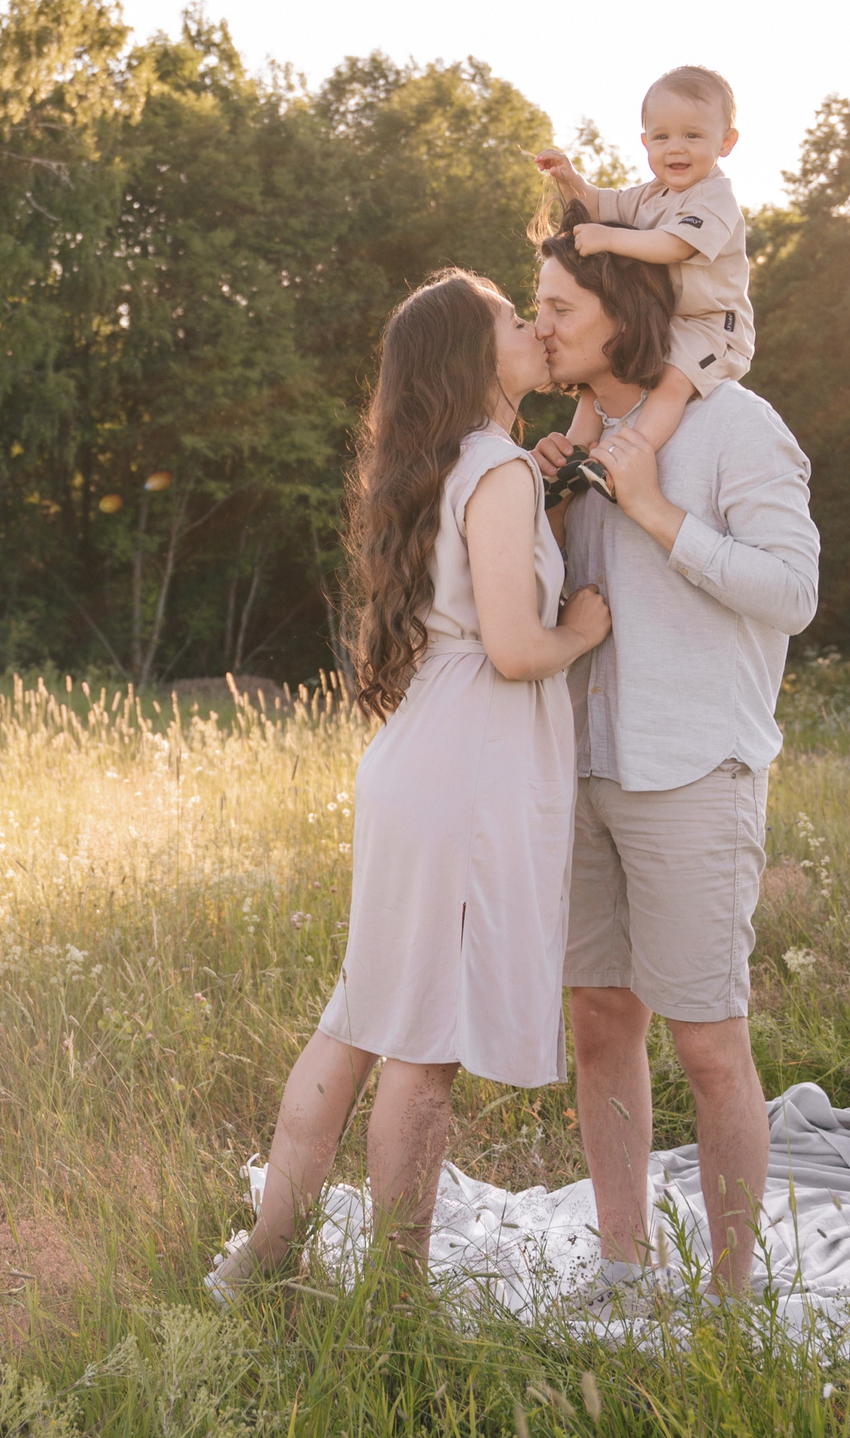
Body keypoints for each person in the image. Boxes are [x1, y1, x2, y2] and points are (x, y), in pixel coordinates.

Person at [207, 270, 611, 1301]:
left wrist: (548, 490)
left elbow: (477, 606)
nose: (533, 328)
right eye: (513, 320)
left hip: (418, 760)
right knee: (423, 1046)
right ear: (475, 360)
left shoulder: (456, 466)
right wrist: (585, 626)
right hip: (466, 774)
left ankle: (265, 1255)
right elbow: (517, 646)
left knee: (359, 1019)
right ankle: (397, 1291)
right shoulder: (496, 469)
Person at [531, 212, 820, 1299]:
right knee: (599, 1023)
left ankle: (733, 1295)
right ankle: (622, 1264)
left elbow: (792, 592)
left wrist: (652, 512)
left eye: (561, 306)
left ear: (626, 311)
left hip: (694, 767)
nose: (540, 323)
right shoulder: (563, 437)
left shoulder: (736, 426)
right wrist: (542, 500)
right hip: (581, 767)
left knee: (707, 1043)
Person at [531, 67, 752, 486]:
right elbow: (601, 204)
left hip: (712, 326)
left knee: (671, 381)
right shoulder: (653, 194)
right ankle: (573, 461)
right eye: (662, 136)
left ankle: (624, 458)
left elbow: (674, 246)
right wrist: (570, 178)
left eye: (693, 135)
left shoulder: (714, 198)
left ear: (726, 142)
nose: (676, 148)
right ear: (645, 141)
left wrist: (609, 238)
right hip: (666, 319)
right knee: (604, 373)